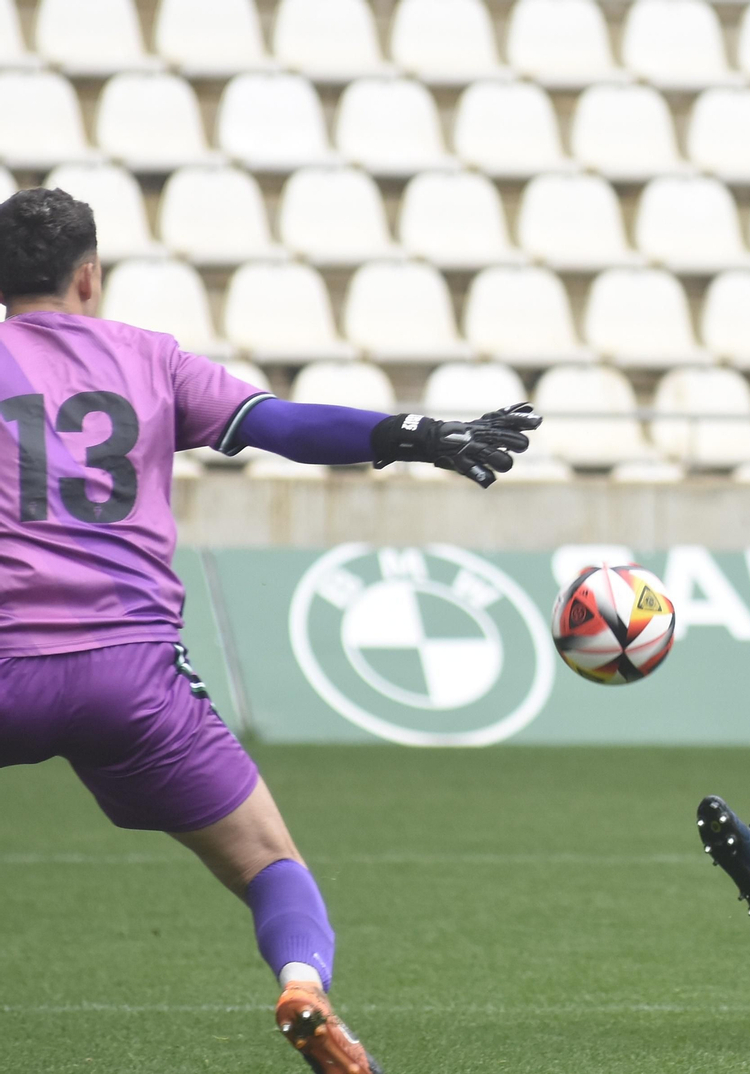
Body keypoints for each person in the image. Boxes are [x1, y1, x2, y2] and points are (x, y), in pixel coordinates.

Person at [0, 188, 540, 1073]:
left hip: (8, 667)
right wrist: (418, 435)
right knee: (267, 864)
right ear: (88, 276)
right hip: (134, 678)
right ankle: (302, 984)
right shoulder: (149, 357)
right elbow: (280, 427)